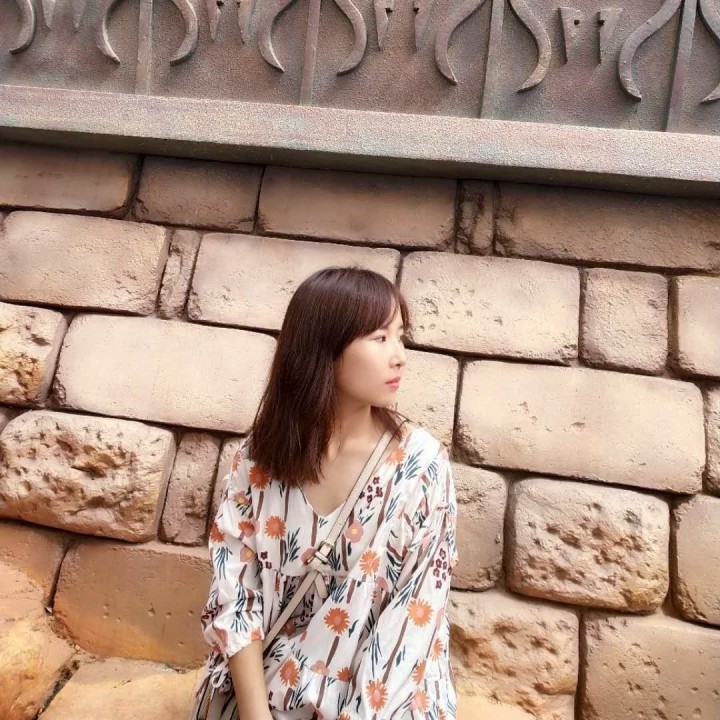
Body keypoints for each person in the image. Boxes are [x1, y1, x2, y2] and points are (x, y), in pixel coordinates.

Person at [192, 266, 459, 719]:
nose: (399, 356)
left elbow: (411, 626)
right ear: (324, 348)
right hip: (268, 694)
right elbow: (234, 592)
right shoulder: (258, 458)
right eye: (380, 338)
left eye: (401, 336)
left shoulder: (421, 468)